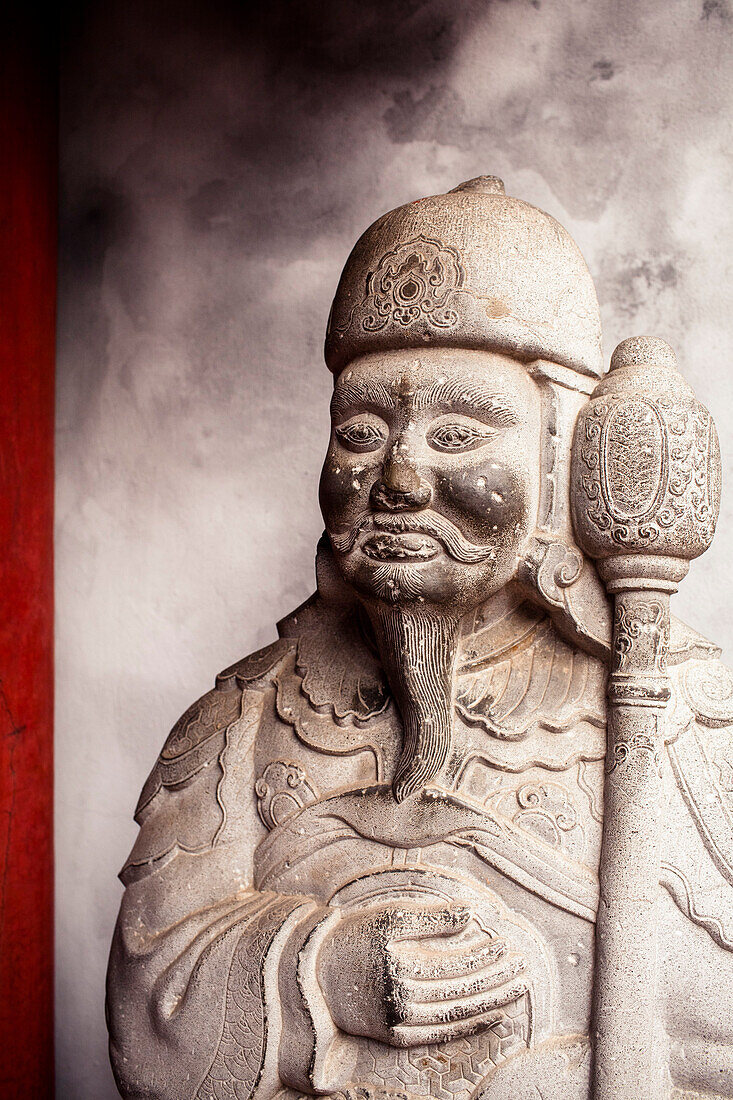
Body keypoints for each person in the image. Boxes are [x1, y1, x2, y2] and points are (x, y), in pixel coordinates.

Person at [107, 176, 733, 1100]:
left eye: (457, 433)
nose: (395, 477)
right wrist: (320, 974)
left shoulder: (687, 720)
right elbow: (148, 1023)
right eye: (359, 431)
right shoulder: (240, 724)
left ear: (558, 453)